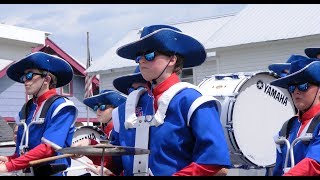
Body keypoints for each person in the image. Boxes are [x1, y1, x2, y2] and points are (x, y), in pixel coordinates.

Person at [93, 25, 231, 176]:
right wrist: (95, 158)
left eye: (149, 55)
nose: (141, 61)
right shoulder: (128, 108)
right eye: (138, 57)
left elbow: (212, 161)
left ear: (172, 59)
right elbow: (117, 160)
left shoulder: (193, 101)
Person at [0, 52, 78, 176]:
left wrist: (9, 166)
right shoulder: (26, 109)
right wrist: (9, 159)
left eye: (30, 75)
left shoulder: (63, 107)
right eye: (23, 77)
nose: (25, 80)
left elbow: (48, 149)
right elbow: (22, 151)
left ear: (47, 79)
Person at [270, 57, 320, 176]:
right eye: (292, 87)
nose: (296, 91)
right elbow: (278, 170)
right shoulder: (287, 127)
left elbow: (315, 164)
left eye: (303, 85)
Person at [71, 89, 126, 169]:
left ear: (116, 109)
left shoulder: (123, 132)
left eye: (103, 107)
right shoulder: (100, 131)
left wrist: (90, 143)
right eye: (96, 107)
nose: (98, 110)